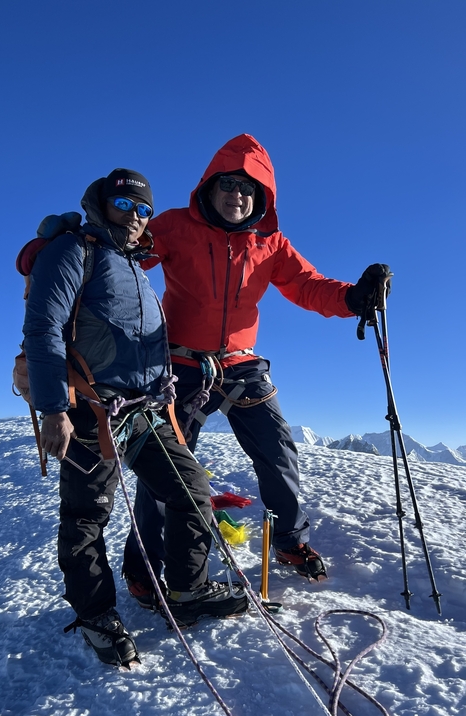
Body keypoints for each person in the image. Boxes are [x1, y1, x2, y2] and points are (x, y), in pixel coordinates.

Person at [119, 135, 392, 603]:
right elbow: (121, 258)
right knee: (164, 467)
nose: (237, 195)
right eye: (228, 184)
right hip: (179, 364)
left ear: (262, 198)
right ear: (210, 186)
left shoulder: (270, 243)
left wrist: (353, 297)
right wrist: (64, 251)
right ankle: (147, 564)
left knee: (278, 450)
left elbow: (308, 285)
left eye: (249, 189)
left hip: (241, 364)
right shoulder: (172, 227)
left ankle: (289, 541)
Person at [22, 167, 247, 667]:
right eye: (125, 205)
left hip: (145, 411)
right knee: (86, 517)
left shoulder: (135, 268)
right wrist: (54, 409)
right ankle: (96, 613)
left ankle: (188, 592)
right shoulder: (72, 251)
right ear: (101, 205)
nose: (136, 216)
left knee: (191, 494)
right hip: (90, 412)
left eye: (144, 209)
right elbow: (43, 330)